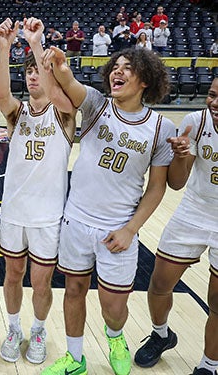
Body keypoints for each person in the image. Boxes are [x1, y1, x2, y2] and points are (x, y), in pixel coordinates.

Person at [40, 46, 175, 375]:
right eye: (116, 66)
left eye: (128, 68)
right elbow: (67, 81)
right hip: (77, 219)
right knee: (74, 290)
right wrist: (57, 62)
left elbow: (157, 186)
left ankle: (115, 337)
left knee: (113, 308)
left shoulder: (160, 127)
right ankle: (76, 358)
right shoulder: (97, 105)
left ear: (145, 79)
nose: (118, 71)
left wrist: (131, 229)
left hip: (118, 229)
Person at [0, 18, 76, 365]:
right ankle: (14, 329)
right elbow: (0, 94)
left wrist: (36, 43)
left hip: (47, 216)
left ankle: (39, 330)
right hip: (14, 211)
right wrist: (3, 47)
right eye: (27, 72)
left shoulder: (64, 113)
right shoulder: (17, 113)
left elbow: (57, 91)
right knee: (13, 275)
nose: (31, 77)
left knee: (41, 283)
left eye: (36, 72)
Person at [134, 78, 218, 375]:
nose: (215, 103)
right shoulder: (197, 121)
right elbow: (177, 182)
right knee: (158, 284)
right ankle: (161, 334)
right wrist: (181, 156)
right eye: (212, 95)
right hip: (194, 210)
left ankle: (209, 364)